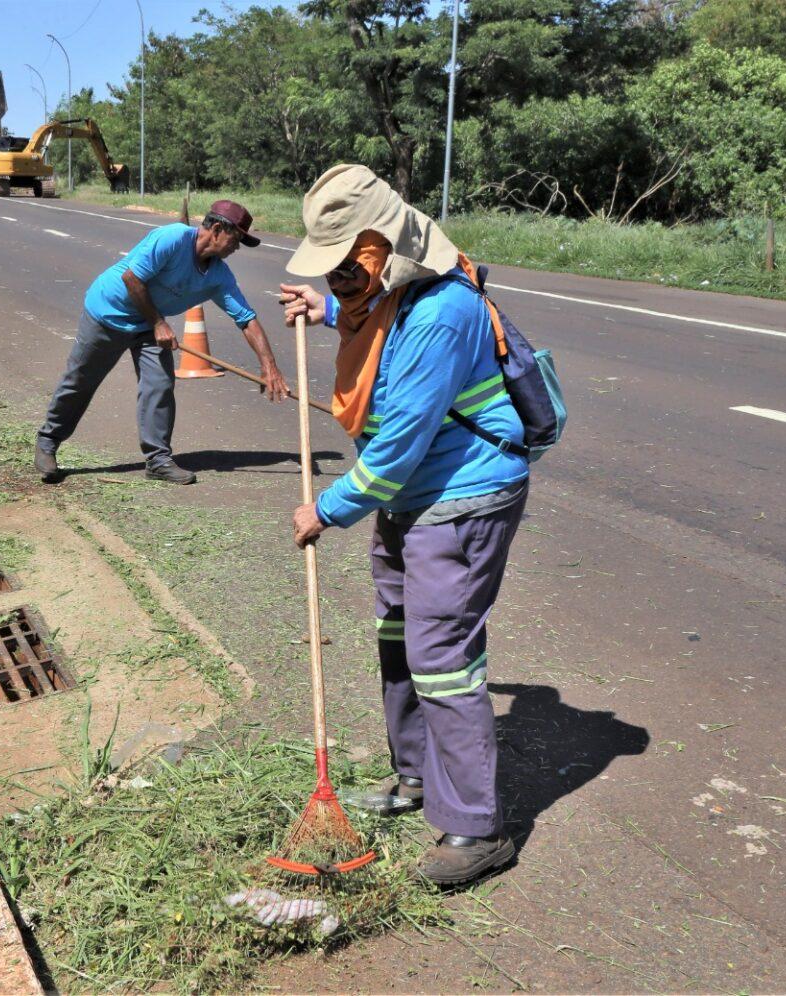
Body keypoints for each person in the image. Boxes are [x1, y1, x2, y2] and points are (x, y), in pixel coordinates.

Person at [279, 164, 530, 887]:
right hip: (408, 500)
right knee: (400, 640)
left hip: (460, 499)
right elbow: (378, 328)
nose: (337, 287)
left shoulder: (442, 310)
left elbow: (395, 448)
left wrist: (325, 510)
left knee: (443, 657)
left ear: (381, 249)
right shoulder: (395, 292)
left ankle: (478, 828)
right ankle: (415, 778)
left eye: (343, 274)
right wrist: (326, 311)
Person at [34, 201, 292, 484]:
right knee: (81, 381)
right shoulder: (172, 238)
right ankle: (48, 441)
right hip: (108, 313)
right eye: (236, 238)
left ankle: (158, 460)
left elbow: (246, 318)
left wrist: (269, 366)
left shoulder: (219, 276)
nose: (237, 247)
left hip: (149, 324)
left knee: (159, 384)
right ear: (217, 229)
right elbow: (132, 278)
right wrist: (158, 323)